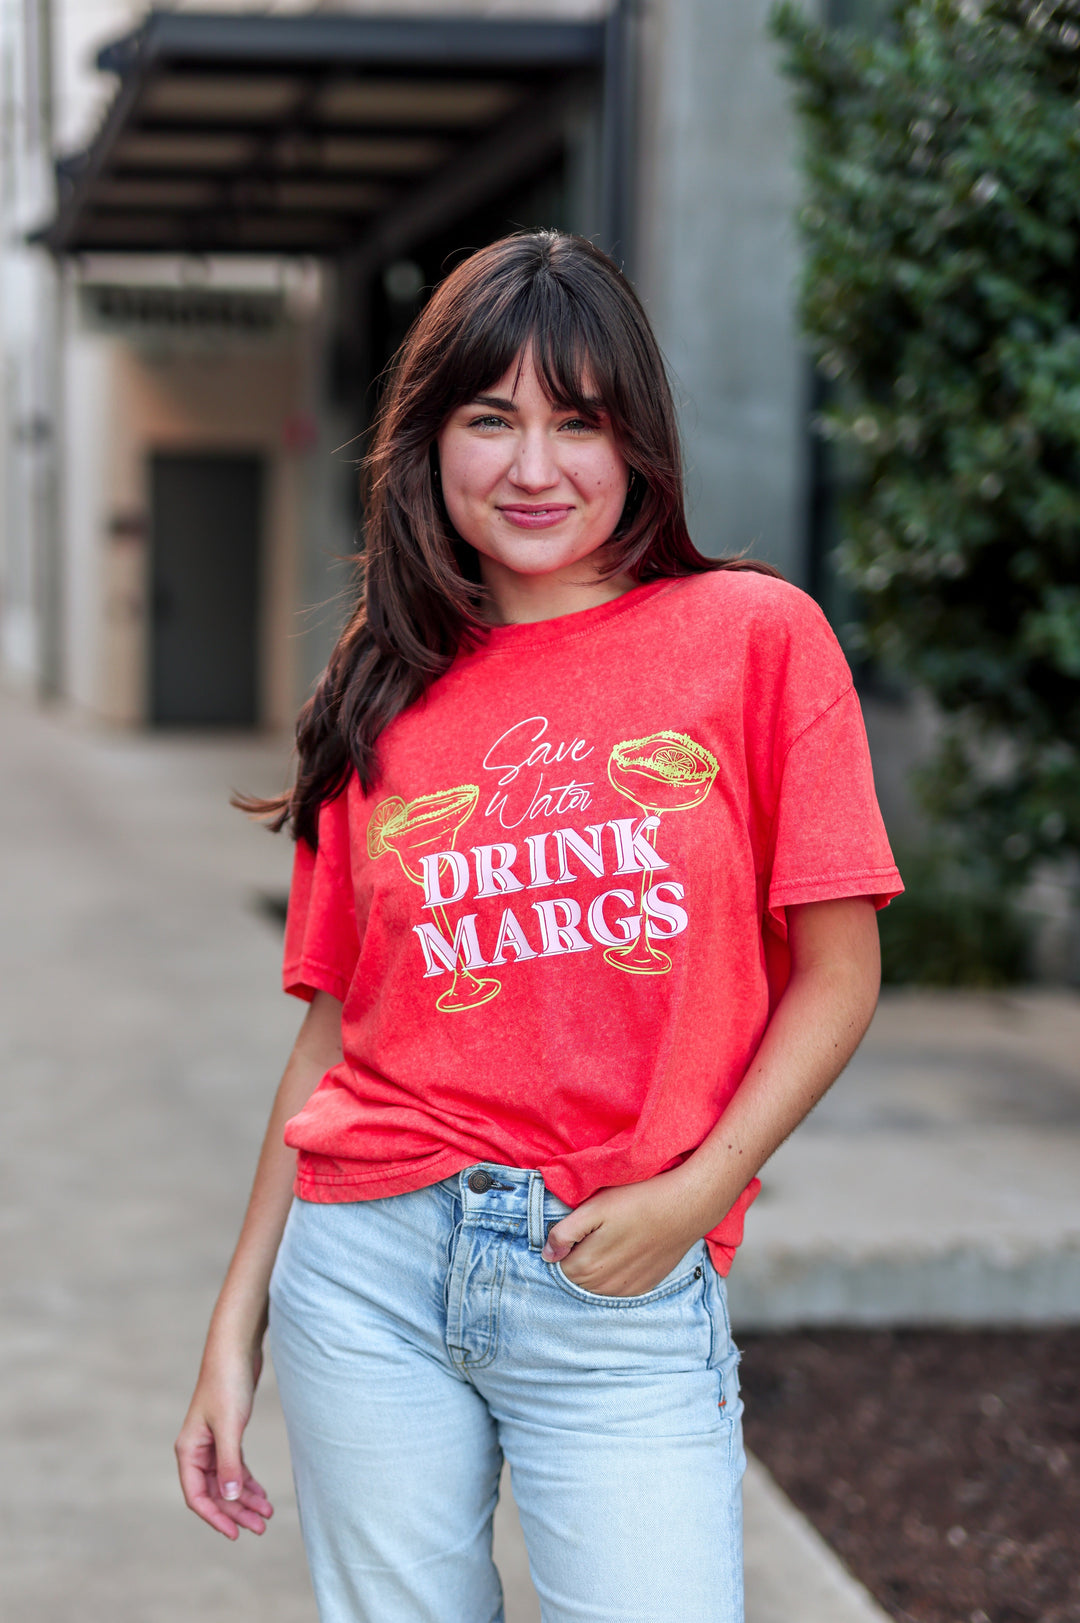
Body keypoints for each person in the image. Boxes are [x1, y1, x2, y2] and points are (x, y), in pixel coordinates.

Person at [175, 230, 901, 1623]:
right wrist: (234, 1326)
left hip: (617, 1276)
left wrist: (695, 1197)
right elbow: (334, 1038)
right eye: (489, 418)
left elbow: (840, 975)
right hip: (365, 1269)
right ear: (428, 442)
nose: (532, 467)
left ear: (637, 442)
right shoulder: (378, 686)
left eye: (578, 421)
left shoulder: (755, 638)